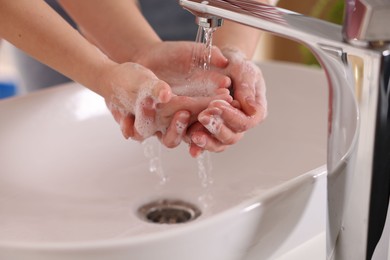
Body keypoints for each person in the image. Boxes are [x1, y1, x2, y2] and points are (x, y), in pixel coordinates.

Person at [0, 0, 271, 157]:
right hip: (52, 22)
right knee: (63, 149)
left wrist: (231, 53)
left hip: (190, 10)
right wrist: (106, 72)